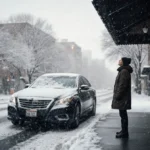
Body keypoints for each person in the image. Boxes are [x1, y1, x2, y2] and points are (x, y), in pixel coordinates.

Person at [112, 57, 133, 138]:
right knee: (123, 114)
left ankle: (124, 132)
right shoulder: (123, 70)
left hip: (122, 98)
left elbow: (122, 85)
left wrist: (118, 95)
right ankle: (124, 131)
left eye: (120, 60)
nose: (119, 61)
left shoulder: (124, 71)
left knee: (123, 115)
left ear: (124, 62)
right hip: (123, 97)